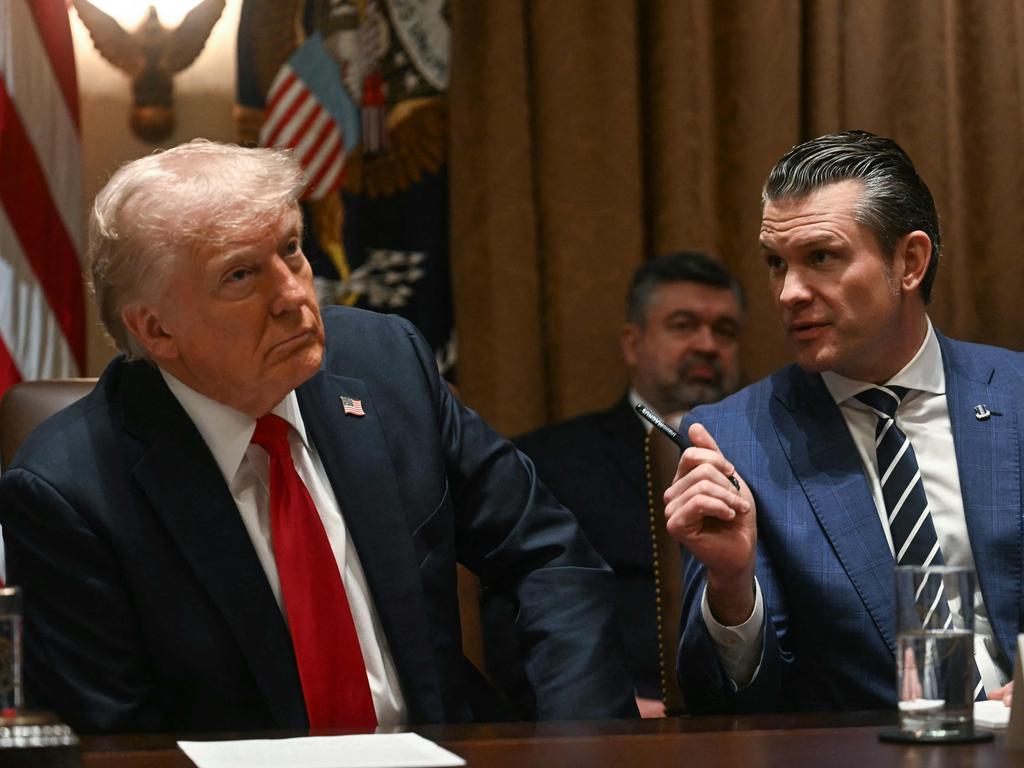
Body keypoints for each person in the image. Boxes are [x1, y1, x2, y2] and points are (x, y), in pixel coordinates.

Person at [0, 140, 637, 734]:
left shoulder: (385, 367)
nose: (294, 296)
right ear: (157, 330)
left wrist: (578, 744)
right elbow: (118, 746)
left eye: (293, 250)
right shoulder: (69, 493)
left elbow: (548, 554)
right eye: (240, 276)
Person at [666, 130, 1024, 714]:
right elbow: (724, 706)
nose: (789, 293)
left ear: (909, 262)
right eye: (776, 264)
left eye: (822, 258)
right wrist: (732, 585)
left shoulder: (1018, 397)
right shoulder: (735, 440)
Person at [483, 252, 744, 719]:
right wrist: (608, 709)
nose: (707, 344)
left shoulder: (771, 457)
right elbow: (513, 620)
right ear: (632, 343)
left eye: (724, 331)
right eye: (684, 325)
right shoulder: (549, 461)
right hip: (614, 725)